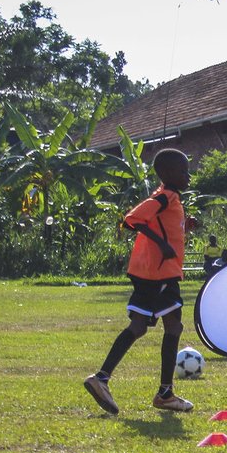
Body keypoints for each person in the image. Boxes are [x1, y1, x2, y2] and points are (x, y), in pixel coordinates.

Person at [84, 149, 197, 415]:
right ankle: (164, 393)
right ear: (168, 174)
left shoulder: (170, 199)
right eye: (183, 171)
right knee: (173, 326)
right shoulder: (163, 197)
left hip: (152, 272)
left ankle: (102, 378)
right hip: (159, 273)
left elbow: (161, 226)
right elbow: (131, 220)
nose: (188, 176)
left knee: (140, 326)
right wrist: (161, 245)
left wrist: (184, 227)